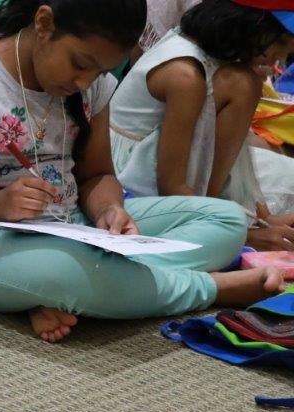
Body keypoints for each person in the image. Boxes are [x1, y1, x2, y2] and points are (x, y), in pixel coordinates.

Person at [0, 0, 286, 343]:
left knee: (226, 220)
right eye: (80, 64)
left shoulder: (93, 85)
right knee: (66, 272)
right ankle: (208, 287)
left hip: (73, 225)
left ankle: (83, 292)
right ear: (44, 24)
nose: (84, 82)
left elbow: (97, 175)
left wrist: (109, 209)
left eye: (99, 72)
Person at [111, 0, 294, 251]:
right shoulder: (186, 76)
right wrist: (243, 232)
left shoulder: (211, 55)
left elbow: (234, 163)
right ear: (250, 24)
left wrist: (261, 217)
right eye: (281, 42)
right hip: (128, 184)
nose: (282, 57)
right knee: (245, 86)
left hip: (172, 179)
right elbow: (171, 187)